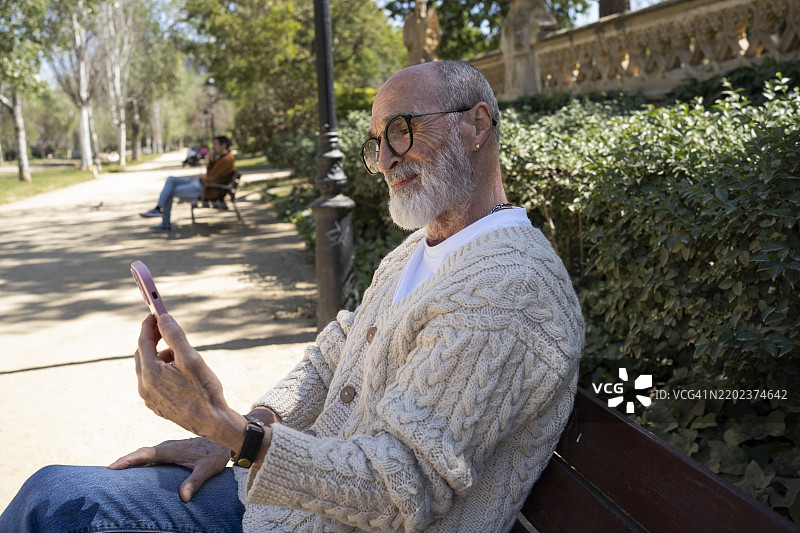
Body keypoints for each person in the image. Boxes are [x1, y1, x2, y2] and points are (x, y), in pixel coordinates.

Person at [0, 61, 584, 533]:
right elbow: (332, 356)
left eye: (403, 130)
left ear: (477, 124)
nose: (383, 161)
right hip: (277, 503)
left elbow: (399, 488)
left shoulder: (512, 292)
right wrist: (237, 428)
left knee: (57, 506)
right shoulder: (419, 251)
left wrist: (239, 438)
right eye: (376, 141)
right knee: (57, 494)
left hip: (306, 514)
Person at [141, 135, 236, 233]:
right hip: (203, 185)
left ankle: (164, 223)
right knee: (171, 179)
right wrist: (211, 162)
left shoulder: (227, 159)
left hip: (206, 189)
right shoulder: (223, 158)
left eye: (215, 144)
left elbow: (215, 180)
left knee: (169, 191)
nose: (213, 146)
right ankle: (158, 209)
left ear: (223, 145)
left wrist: (200, 179)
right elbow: (211, 175)